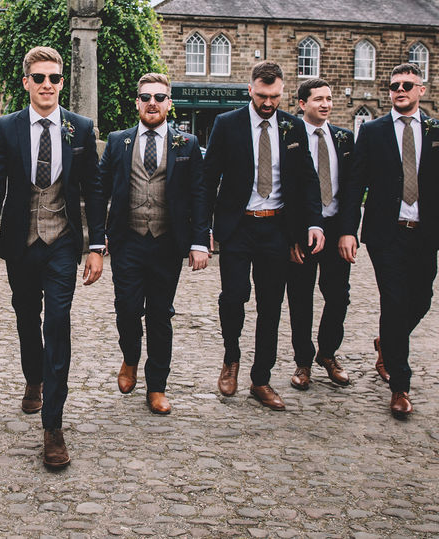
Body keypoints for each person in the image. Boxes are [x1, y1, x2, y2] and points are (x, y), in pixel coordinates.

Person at [0, 46, 105, 470]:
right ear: (26, 82)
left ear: (62, 82)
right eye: (39, 78)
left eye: (54, 78)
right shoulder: (7, 127)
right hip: (20, 242)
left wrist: (97, 247)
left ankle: (53, 425)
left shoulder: (81, 128)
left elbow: (93, 191)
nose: (47, 85)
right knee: (25, 317)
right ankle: (33, 376)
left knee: (57, 323)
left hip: (63, 243)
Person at [338, 62, 439, 418]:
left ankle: (387, 342)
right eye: (394, 85)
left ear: (420, 91)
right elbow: (356, 185)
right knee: (395, 302)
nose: (400, 90)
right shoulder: (372, 131)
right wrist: (349, 230)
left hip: (425, 232)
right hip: (387, 234)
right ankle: (400, 386)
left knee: (422, 299)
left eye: (407, 85)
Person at [202, 60, 325, 411]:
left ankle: (261, 379)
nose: (268, 103)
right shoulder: (227, 124)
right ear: (250, 90)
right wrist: (204, 228)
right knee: (234, 296)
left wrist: (312, 225)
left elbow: (307, 181)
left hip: (277, 228)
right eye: (261, 96)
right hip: (238, 226)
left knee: (271, 306)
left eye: (274, 96)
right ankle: (231, 356)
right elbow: (209, 179)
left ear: (283, 92)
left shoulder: (293, 127)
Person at [98, 73, 209, 416]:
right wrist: (95, 238)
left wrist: (200, 241)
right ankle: (130, 358)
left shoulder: (186, 144)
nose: (152, 103)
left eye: (159, 98)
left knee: (161, 315)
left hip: (166, 243)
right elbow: (100, 188)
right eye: (146, 97)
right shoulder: (118, 141)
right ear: (137, 102)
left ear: (169, 104)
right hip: (128, 240)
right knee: (127, 309)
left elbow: (199, 194)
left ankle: (157, 385)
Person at [284, 79, 354, 391]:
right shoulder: (289, 138)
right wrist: (292, 238)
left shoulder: (344, 138)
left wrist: (349, 232)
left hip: (336, 229)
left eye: (328, 98)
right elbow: (282, 190)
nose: (325, 104)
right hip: (302, 233)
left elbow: (353, 190)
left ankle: (328, 353)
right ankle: (303, 361)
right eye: (318, 99)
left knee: (338, 296)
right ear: (302, 104)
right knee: (300, 299)